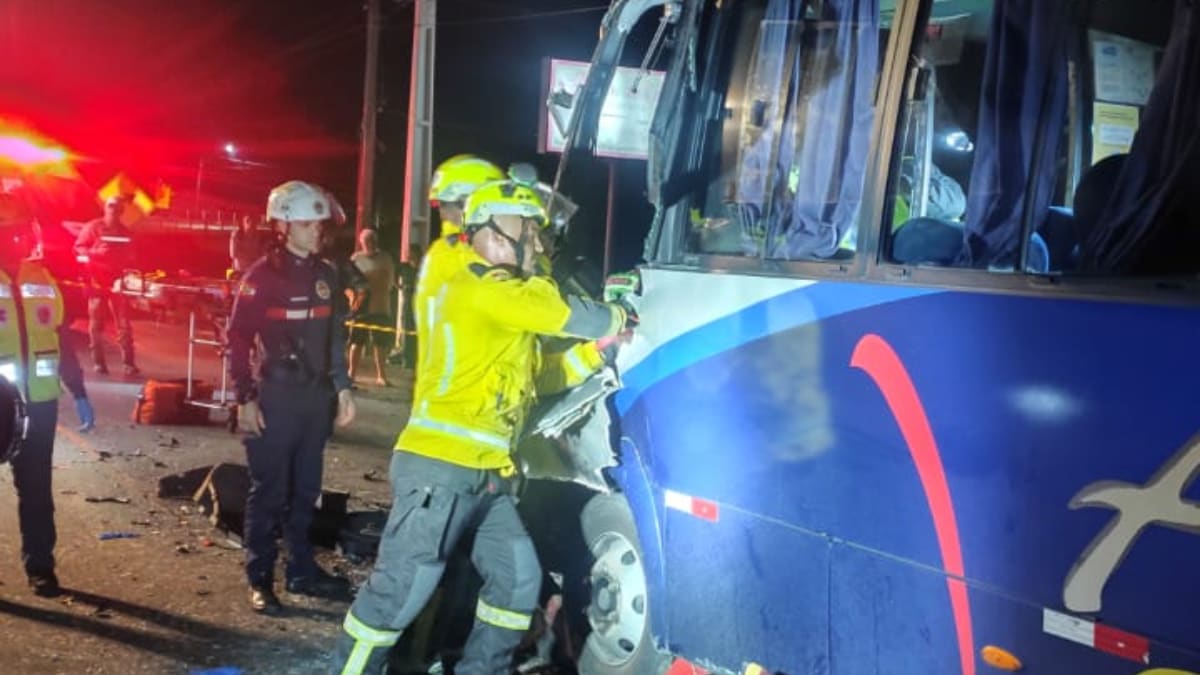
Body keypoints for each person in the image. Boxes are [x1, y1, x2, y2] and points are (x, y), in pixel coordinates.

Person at [330, 178, 634, 675]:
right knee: (395, 598)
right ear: (491, 231)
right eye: (527, 229)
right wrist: (618, 313)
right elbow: (556, 311)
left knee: (516, 581)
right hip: (441, 472)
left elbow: (544, 375)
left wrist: (594, 354)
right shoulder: (477, 284)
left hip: (488, 476)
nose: (537, 241)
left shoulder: (506, 305)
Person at [226, 180, 357, 615]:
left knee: (306, 492)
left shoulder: (325, 273)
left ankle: (301, 569)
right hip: (275, 397)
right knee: (269, 493)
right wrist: (245, 397)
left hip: (315, 400)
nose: (315, 230)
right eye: (305, 223)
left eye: (318, 223)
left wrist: (343, 388)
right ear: (282, 225)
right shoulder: (260, 277)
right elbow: (237, 338)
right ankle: (259, 578)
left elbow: (334, 336)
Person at [0, 192, 95, 598]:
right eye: (9, 231)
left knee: (36, 490)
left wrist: (78, 390)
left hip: (38, 404)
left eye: (20, 230)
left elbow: (60, 340)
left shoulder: (41, 279)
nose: (16, 238)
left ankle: (41, 568)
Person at [73, 194, 139, 376]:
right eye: (111, 206)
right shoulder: (93, 228)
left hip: (118, 282)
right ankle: (99, 363)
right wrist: (95, 252)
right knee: (96, 325)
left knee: (124, 325)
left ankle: (128, 363)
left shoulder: (126, 232)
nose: (113, 211)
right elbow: (78, 249)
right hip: (96, 281)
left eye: (117, 208)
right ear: (105, 207)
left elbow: (132, 257)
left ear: (122, 211)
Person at [347, 229, 396, 386]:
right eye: (366, 240)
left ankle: (381, 375)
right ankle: (351, 374)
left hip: (380, 306)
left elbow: (390, 283)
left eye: (372, 240)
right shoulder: (356, 259)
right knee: (356, 341)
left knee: (379, 342)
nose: (370, 243)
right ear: (362, 242)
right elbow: (348, 283)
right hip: (360, 307)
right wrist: (353, 299)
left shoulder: (385, 259)